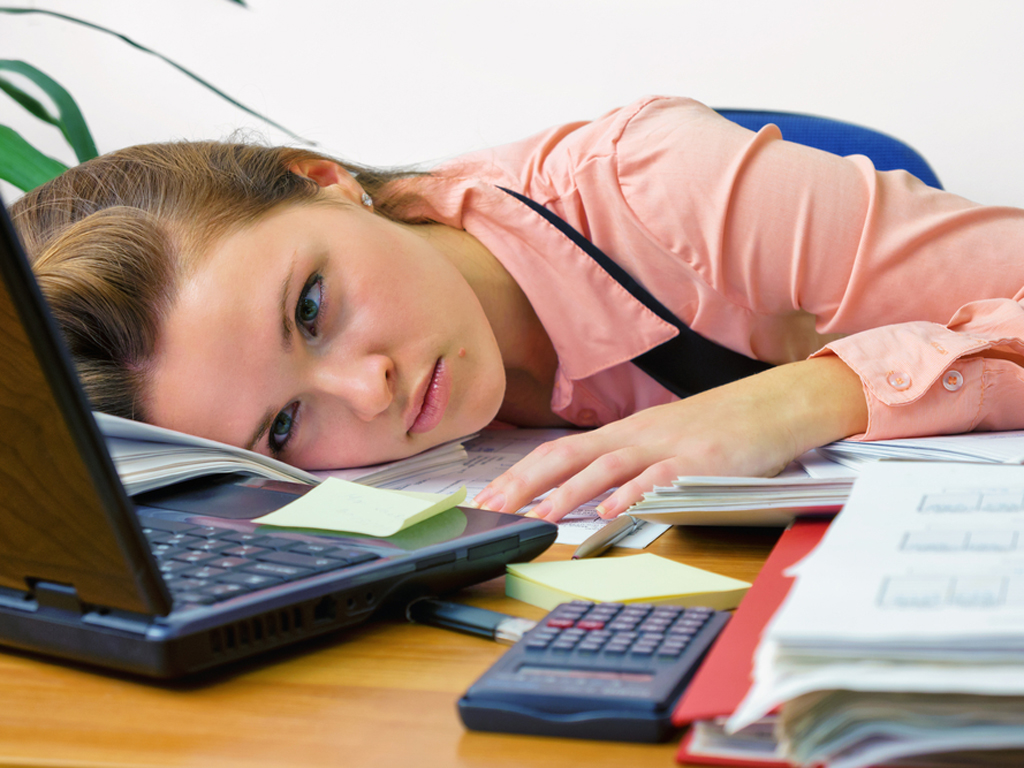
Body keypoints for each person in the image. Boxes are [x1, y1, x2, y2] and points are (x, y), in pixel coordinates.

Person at [11, 96, 1024, 524]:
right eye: (283, 423)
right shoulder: (346, 462)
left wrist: (804, 398)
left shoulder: (660, 186)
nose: (370, 392)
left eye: (310, 309)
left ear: (323, 180)